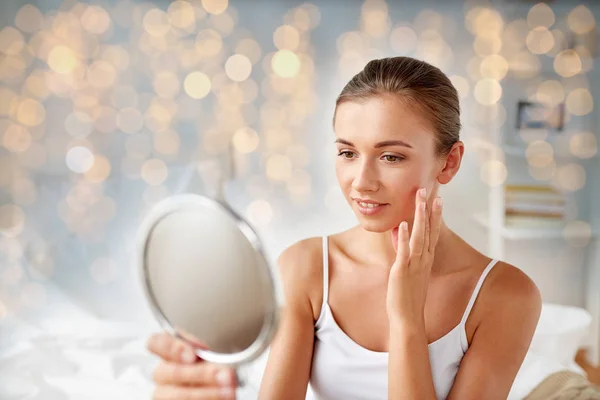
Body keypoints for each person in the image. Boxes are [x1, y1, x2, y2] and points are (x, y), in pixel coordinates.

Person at [146, 56, 542, 400]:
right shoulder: (307, 268)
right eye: (348, 153)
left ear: (449, 162)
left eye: (390, 156)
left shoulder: (505, 295)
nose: (362, 181)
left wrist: (406, 318)